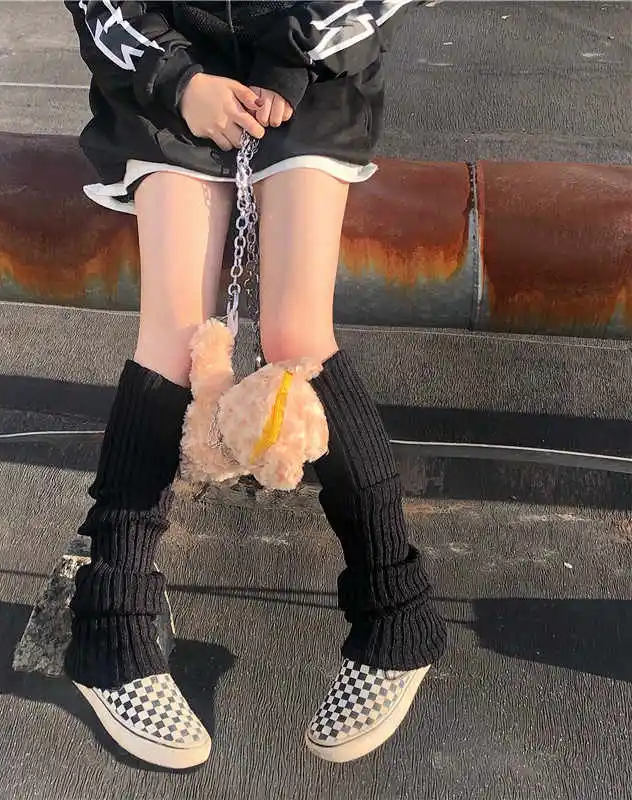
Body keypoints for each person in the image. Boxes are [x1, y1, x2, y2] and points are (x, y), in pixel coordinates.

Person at [62, 0, 446, 770]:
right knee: (177, 341)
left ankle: (396, 611)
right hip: (167, 76)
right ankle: (111, 624)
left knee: (296, 337)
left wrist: (286, 63)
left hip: (311, 73)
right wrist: (178, 81)